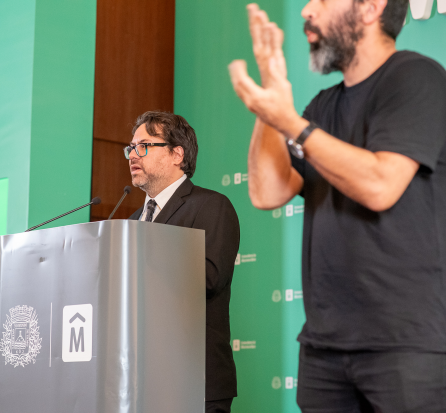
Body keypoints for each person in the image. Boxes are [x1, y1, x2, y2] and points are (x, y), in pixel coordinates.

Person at [227, 0, 446, 410]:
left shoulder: (417, 78)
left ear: (370, 9)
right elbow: (267, 192)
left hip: (406, 345)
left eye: (324, 0)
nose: (308, 10)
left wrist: (291, 122)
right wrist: (273, 95)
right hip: (324, 348)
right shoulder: (322, 107)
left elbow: (381, 185)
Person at [125, 111, 240, 413]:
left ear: (177, 154)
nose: (133, 155)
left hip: (194, 378)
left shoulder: (211, 206)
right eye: (131, 147)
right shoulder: (131, 221)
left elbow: (209, 278)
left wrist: (142, 262)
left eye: (144, 146)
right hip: (139, 379)